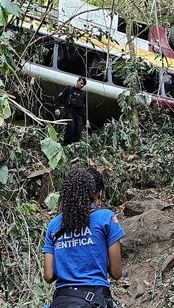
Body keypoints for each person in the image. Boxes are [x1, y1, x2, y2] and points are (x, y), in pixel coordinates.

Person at [43, 168, 125, 307]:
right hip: (95, 299)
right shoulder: (106, 218)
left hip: (61, 301)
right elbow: (116, 273)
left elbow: (49, 275)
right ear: (95, 194)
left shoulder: (53, 225)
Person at [54, 77, 90, 146]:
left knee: (78, 131)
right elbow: (59, 99)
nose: (82, 85)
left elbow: (84, 109)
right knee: (71, 127)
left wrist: (87, 120)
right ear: (77, 81)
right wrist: (57, 108)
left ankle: (74, 146)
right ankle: (66, 144)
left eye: (83, 85)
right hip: (69, 111)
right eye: (81, 83)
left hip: (78, 114)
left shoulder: (83, 95)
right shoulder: (68, 90)